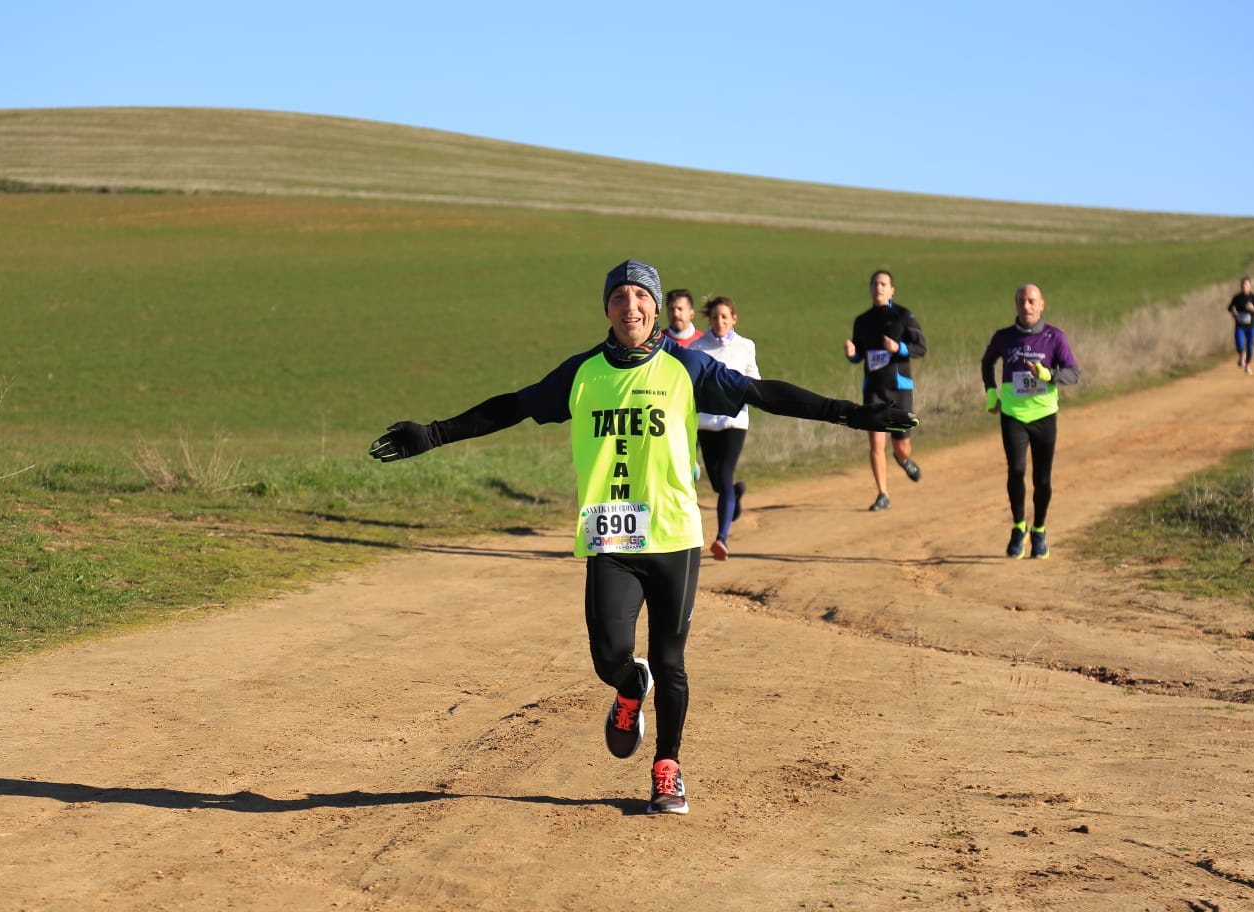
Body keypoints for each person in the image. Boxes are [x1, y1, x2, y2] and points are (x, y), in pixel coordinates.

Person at [369, 259, 917, 816]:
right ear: (606, 308)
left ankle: (668, 767)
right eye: (618, 297)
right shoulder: (582, 373)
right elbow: (513, 405)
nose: (629, 306)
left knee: (671, 659)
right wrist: (434, 433)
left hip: (674, 535)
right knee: (610, 657)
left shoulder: (687, 367)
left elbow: (762, 393)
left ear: (655, 307)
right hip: (611, 537)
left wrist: (851, 414)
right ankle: (630, 689)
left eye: (639, 296)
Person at [981, 284, 1080, 559]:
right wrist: (991, 393)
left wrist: (1048, 375)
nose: (1027, 306)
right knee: (1015, 470)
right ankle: (1018, 527)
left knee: (1042, 479)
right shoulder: (1004, 337)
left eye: (1032, 301)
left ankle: (1039, 530)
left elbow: (1073, 373)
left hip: (1044, 416)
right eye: (1022, 301)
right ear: (1016, 305)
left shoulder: (1054, 337)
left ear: (1042, 305)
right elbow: (986, 362)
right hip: (1013, 415)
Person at [843, 269, 927, 511]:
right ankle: (883, 493)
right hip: (874, 390)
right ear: (870, 289)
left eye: (883, 284)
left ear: (892, 290)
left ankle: (903, 459)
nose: (879, 287)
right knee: (875, 443)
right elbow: (860, 354)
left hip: (899, 389)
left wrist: (898, 347)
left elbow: (921, 347)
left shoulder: (903, 316)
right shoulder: (862, 320)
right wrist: (852, 354)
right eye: (875, 284)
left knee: (900, 445)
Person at [689, 295, 759, 561]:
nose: (719, 321)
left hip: (734, 421)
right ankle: (736, 493)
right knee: (719, 483)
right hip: (706, 424)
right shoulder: (698, 348)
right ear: (709, 319)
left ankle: (722, 539)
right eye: (715, 317)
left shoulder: (745, 346)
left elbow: (754, 378)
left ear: (734, 319)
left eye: (724, 317)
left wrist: (746, 389)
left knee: (725, 472)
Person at [1227, 276, 1254, 374]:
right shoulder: (1237, 298)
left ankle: (1248, 365)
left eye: (1246, 285)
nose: (1244, 286)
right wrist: (1233, 312)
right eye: (1243, 285)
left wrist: (1253, 308)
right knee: (1239, 344)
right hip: (1240, 326)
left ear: (1250, 286)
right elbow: (1230, 307)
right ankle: (1242, 355)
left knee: (1250, 346)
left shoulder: (1253, 298)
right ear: (1241, 286)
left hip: (1251, 327)